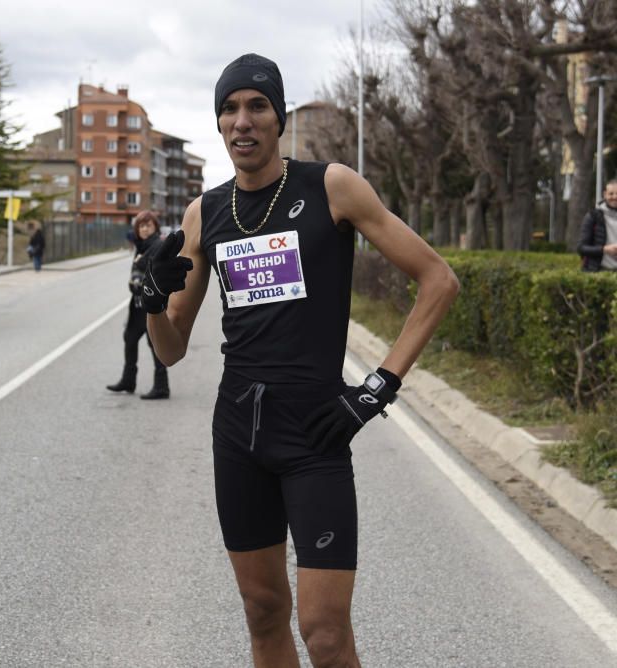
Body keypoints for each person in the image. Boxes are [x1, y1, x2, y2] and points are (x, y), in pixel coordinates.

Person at [142, 54, 459, 666]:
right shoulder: (203, 214)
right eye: (229, 109)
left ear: (279, 117)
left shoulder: (331, 186)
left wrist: (374, 389)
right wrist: (153, 301)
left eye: (257, 106)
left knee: (325, 632)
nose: (243, 121)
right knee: (263, 614)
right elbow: (171, 348)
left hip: (315, 432)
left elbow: (438, 280)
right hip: (238, 433)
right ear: (217, 123)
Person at [105, 210, 170, 399]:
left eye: (148, 225)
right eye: (141, 226)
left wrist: (140, 262)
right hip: (137, 304)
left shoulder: (158, 245)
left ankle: (161, 386)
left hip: (152, 306)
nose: (144, 229)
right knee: (130, 338)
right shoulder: (141, 246)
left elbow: (149, 267)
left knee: (155, 344)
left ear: (155, 227)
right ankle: (128, 380)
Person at [577, 179, 617, 272]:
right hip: (599, 273)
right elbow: (581, 248)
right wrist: (604, 249)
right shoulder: (593, 216)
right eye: (611, 194)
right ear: (605, 194)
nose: (615, 197)